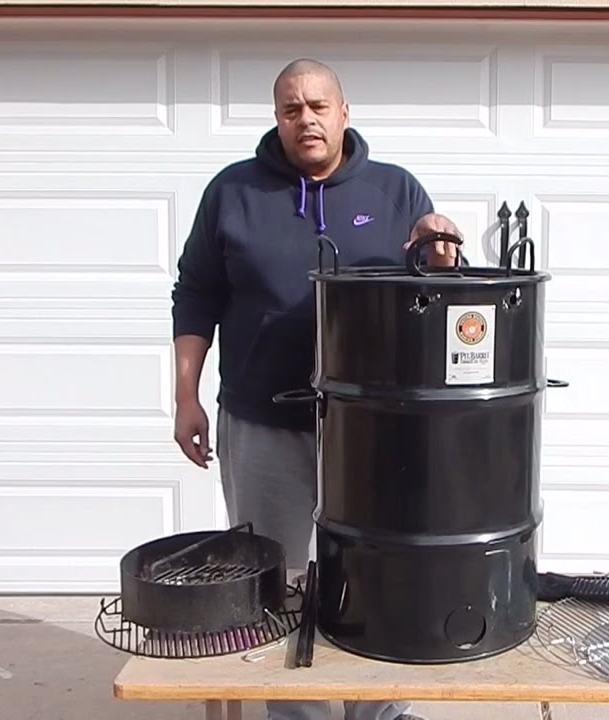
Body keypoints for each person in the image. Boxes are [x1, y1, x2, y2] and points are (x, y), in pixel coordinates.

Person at [169, 58, 461, 720]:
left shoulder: (395, 191)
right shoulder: (233, 192)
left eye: (318, 106)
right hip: (261, 422)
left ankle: (379, 709)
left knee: (384, 573)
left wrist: (440, 258)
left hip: (375, 429)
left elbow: (435, 300)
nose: (307, 119)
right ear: (277, 118)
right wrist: (186, 395)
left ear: (344, 112)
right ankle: (297, 712)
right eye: (292, 108)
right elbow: (195, 295)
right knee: (275, 580)